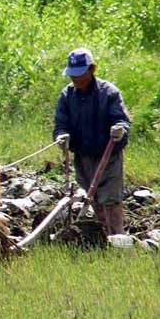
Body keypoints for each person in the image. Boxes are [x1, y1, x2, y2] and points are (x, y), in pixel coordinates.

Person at [53, 48, 131, 235]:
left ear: (92, 69)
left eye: (80, 75)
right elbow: (60, 125)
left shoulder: (109, 93)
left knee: (111, 200)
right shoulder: (67, 96)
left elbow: (121, 120)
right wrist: (61, 136)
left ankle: (118, 237)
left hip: (108, 156)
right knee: (93, 198)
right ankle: (104, 236)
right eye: (73, 76)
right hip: (82, 157)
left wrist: (120, 129)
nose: (76, 80)